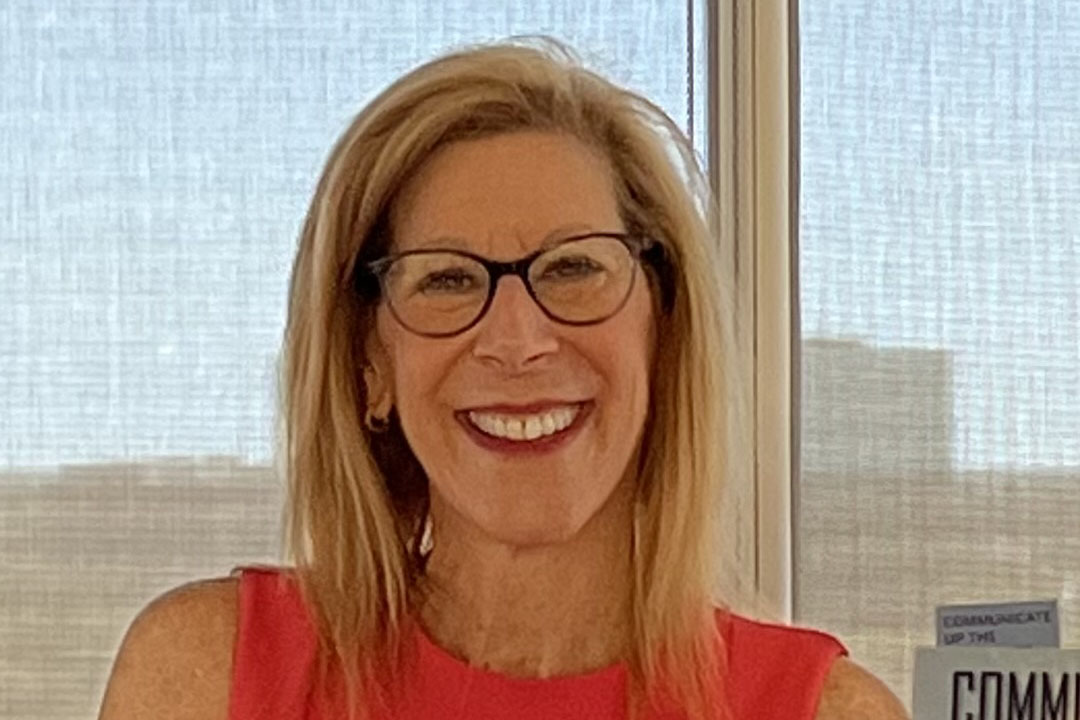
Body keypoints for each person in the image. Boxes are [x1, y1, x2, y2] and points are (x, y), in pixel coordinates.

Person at [98, 40, 909, 720]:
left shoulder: (825, 709)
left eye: (573, 269)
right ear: (369, 364)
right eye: (447, 279)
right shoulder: (204, 677)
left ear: (664, 330)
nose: (518, 340)